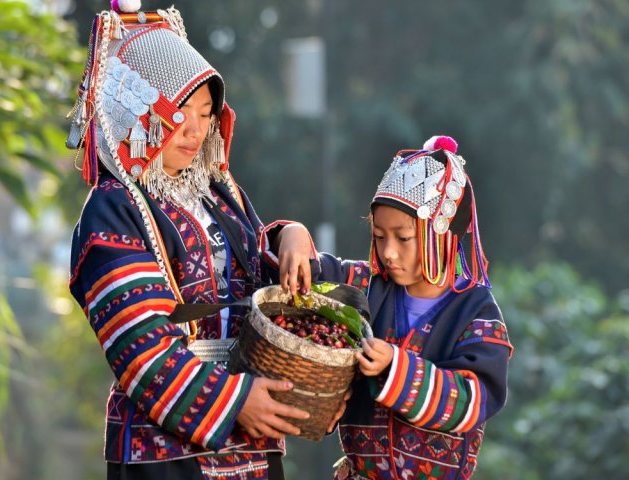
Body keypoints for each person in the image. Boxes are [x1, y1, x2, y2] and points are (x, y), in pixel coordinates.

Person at [67, 3, 319, 479]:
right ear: (141, 110)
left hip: (253, 446)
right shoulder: (113, 207)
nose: (195, 129)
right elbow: (138, 343)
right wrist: (234, 401)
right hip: (164, 455)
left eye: (206, 113)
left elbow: (259, 273)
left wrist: (292, 235)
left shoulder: (219, 191)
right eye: (180, 111)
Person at [313, 135, 514, 479]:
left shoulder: (475, 312)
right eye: (379, 236)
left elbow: (472, 402)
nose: (388, 252)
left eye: (403, 238)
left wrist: (396, 366)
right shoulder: (366, 287)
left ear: (443, 233)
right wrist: (289, 235)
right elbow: (309, 270)